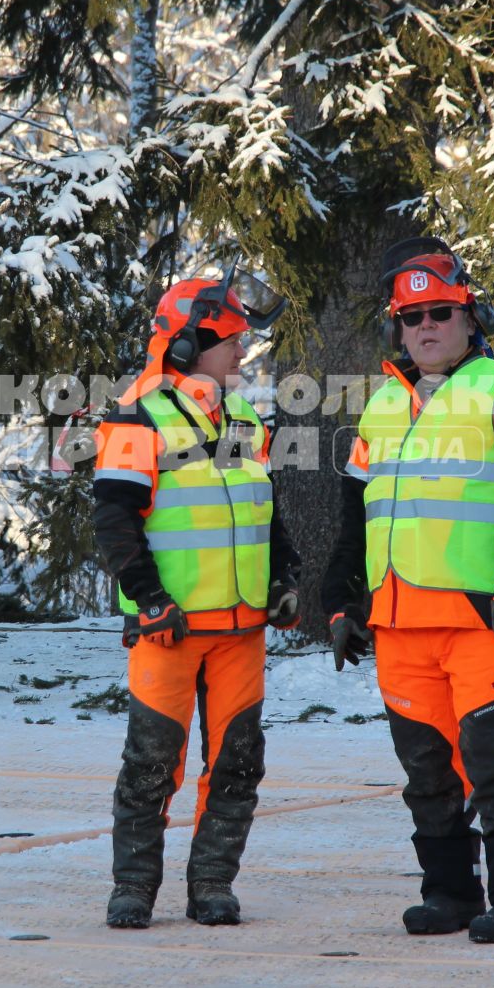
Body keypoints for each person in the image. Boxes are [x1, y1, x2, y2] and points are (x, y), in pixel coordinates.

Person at [321, 237, 494, 943]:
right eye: (410, 317)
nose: (424, 327)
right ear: (395, 329)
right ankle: (451, 894)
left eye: (439, 312)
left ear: (470, 318)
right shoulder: (378, 408)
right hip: (398, 627)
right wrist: (340, 601)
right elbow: (356, 520)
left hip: (479, 619)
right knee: (426, 769)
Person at [90, 269, 299, 929]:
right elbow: (115, 519)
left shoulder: (239, 415)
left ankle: (212, 882)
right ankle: (133, 888)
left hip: (241, 628)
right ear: (185, 345)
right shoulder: (136, 413)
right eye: (232, 339)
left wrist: (284, 577)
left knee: (238, 763)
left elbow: (266, 511)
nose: (242, 353)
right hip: (168, 627)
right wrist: (146, 597)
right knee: (151, 763)